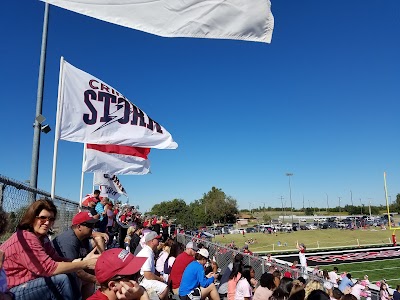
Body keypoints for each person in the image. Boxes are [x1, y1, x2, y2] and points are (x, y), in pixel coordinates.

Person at [0, 198, 99, 299]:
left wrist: (82, 261)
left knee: (71, 272)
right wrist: (85, 264)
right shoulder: (25, 237)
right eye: (43, 218)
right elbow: (49, 269)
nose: (47, 223)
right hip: (9, 290)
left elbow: (55, 258)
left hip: (28, 282)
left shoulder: (42, 237)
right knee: (61, 280)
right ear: (32, 218)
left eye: (51, 219)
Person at [52, 211, 106, 299]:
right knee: (82, 278)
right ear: (79, 226)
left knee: (90, 275)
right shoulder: (69, 241)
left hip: (71, 271)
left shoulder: (82, 236)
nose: (93, 228)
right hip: (58, 277)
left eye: (93, 225)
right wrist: (97, 280)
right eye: (89, 225)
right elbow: (75, 270)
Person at [136, 231, 169, 300]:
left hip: (142, 278)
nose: (159, 241)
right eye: (157, 239)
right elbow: (147, 274)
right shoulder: (147, 253)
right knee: (164, 288)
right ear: (152, 241)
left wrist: (158, 275)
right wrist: (160, 279)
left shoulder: (147, 250)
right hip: (142, 280)